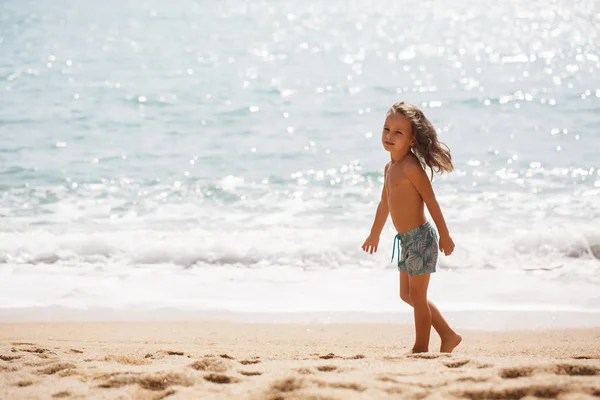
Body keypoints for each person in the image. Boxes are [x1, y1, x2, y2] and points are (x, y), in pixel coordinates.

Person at [361, 101, 462, 353]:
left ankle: (421, 348)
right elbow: (384, 204)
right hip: (406, 240)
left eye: (398, 132)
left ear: (412, 140)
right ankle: (448, 335)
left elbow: (432, 202)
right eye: (386, 129)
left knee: (417, 296)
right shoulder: (389, 168)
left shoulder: (411, 168)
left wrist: (445, 236)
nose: (389, 136)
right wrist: (374, 233)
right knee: (406, 296)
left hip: (421, 239)